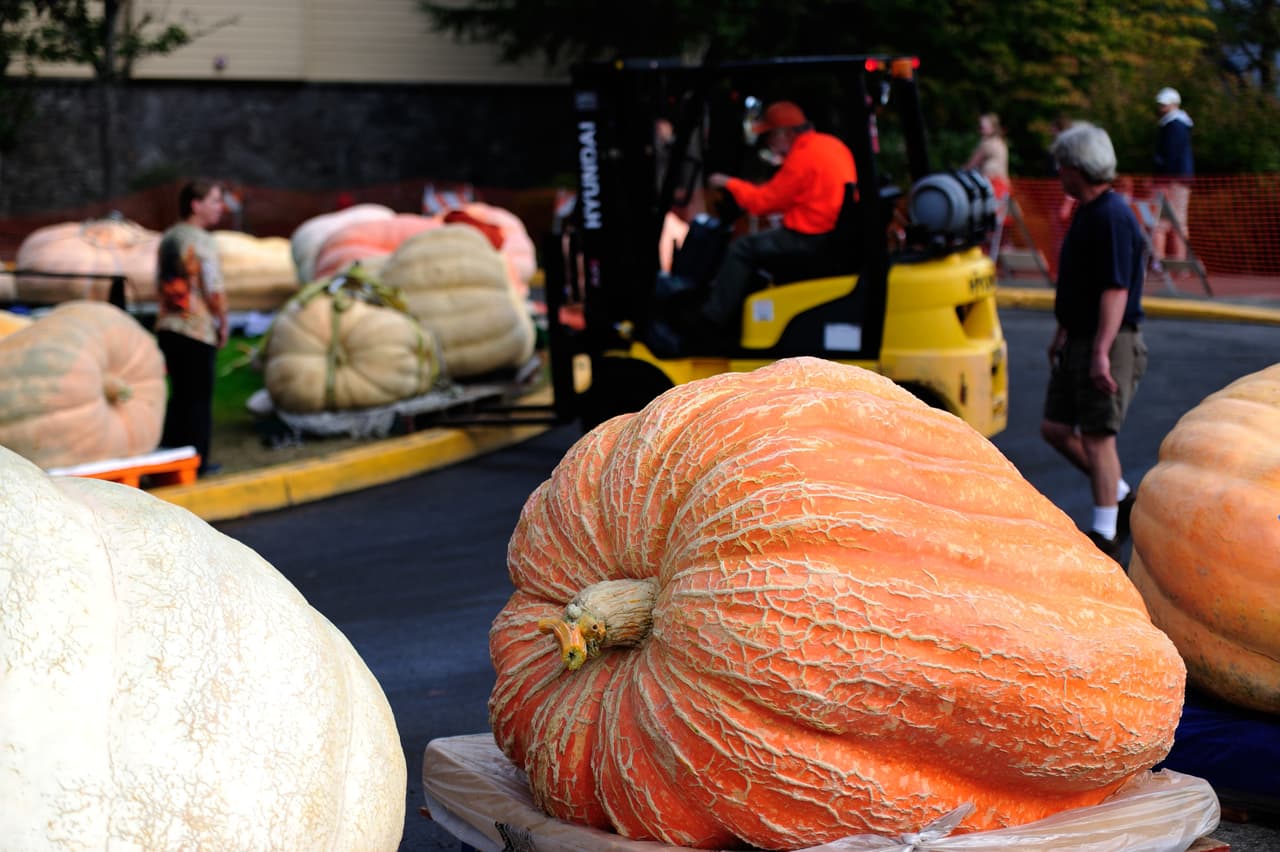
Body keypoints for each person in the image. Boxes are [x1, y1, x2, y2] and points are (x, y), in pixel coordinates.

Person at [1040, 122, 1148, 562]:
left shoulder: (1113, 216)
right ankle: (1123, 498)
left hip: (1110, 340)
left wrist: (1102, 351)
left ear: (1076, 168)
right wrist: (1062, 332)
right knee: (1056, 429)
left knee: (1100, 437)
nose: (1058, 172)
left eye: (1061, 164)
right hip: (1079, 337)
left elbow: (1115, 288)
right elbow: (1080, 285)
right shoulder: (1086, 212)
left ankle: (1106, 534)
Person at [699, 100, 858, 334]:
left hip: (809, 238)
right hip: (830, 234)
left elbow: (761, 203)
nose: (769, 143)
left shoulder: (803, 157)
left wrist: (728, 183)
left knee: (741, 248)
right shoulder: (831, 145)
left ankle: (710, 322)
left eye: (770, 136)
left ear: (785, 133)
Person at [155, 178, 229, 477]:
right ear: (195, 205)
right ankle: (197, 461)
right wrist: (222, 321)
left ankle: (169, 458)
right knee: (198, 399)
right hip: (196, 329)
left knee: (180, 396)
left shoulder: (169, 238)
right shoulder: (203, 241)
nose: (219, 207)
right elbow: (213, 288)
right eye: (214, 200)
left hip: (168, 327)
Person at [1151, 87, 1194, 271]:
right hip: (1179, 179)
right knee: (1175, 222)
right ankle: (1178, 262)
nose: (1161, 108)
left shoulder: (1174, 125)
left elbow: (1171, 155)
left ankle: (1163, 262)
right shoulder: (1178, 124)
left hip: (1172, 180)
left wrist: (1164, 180)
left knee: (1163, 222)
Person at [964, 112, 1010, 202]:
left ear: (993, 127)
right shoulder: (1000, 141)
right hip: (1002, 184)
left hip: (992, 185)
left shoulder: (987, 143)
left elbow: (971, 165)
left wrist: (957, 173)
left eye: (983, 126)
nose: (980, 127)